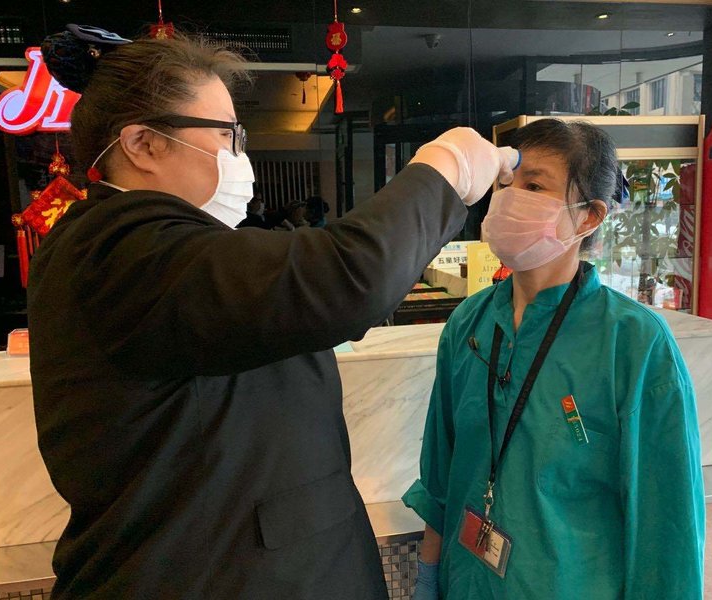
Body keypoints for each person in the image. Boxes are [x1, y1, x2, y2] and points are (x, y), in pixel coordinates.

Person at [29, 25, 518, 599]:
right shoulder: (121, 248)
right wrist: (444, 169)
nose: (241, 157)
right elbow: (345, 278)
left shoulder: (156, 249)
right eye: (227, 135)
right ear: (142, 144)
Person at [403, 118, 705, 600]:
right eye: (507, 184)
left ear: (588, 217)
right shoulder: (469, 325)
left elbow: (665, 524)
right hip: (468, 584)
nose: (509, 198)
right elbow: (441, 473)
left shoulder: (633, 344)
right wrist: (428, 575)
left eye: (534, 185)